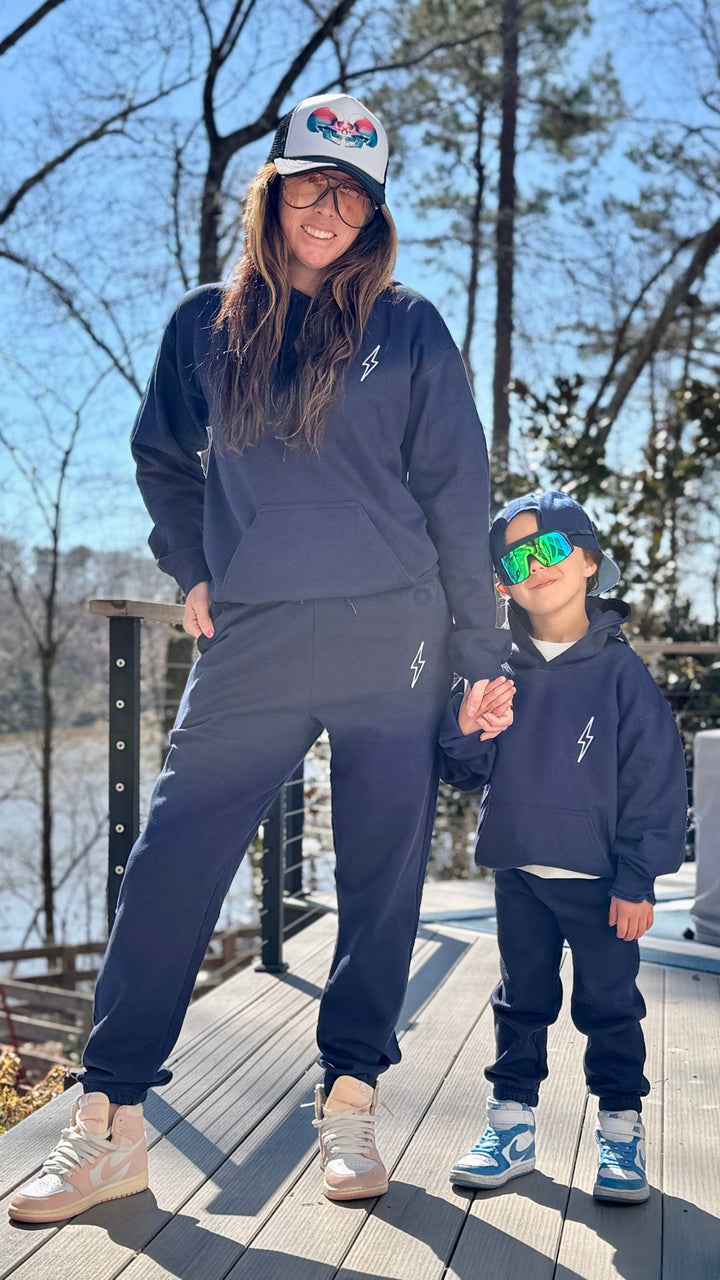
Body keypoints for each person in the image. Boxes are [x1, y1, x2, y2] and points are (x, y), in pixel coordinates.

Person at [9, 92, 513, 1224]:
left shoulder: (412, 327)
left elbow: (457, 497)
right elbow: (161, 458)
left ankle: (349, 1097)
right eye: (306, 183)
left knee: (379, 877)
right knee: (173, 856)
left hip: (398, 635)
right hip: (256, 639)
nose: (323, 209)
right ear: (273, 189)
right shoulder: (206, 324)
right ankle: (111, 1123)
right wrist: (192, 568)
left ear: (372, 208)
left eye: (349, 191)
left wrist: (483, 654)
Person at [439, 489, 687, 1204]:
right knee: (522, 1002)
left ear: (586, 560)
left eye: (548, 547)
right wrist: (466, 726)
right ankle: (510, 1126)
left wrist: (637, 880)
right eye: (514, 558)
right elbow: (461, 768)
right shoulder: (494, 672)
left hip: (605, 882)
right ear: (501, 584)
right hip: (521, 875)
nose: (533, 564)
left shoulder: (622, 677)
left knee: (610, 1007)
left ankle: (619, 1133)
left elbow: (656, 783)